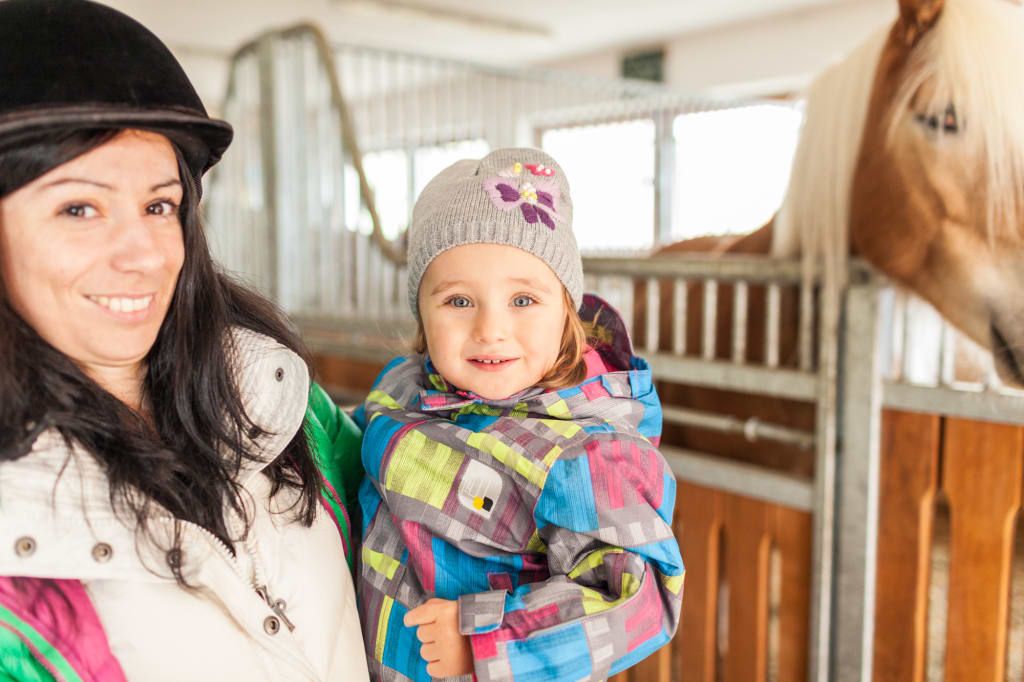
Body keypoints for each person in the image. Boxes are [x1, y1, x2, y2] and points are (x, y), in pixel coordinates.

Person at [0, 1, 368, 679]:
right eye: (79, 208)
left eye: (158, 205)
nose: (144, 253)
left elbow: (411, 494)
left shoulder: (275, 398)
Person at [356, 148, 684, 681]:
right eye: (459, 301)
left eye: (523, 301)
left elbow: (638, 600)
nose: (490, 330)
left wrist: (486, 640)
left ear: (566, 312)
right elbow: (346, 448)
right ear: (423, 313)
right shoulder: (402, 389)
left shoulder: (585, 457)